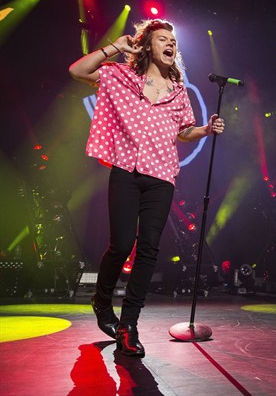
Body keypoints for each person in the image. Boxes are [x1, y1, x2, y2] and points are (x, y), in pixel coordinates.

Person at [69, 19, 225, 356]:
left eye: (173, 40)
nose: (170, 44)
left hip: (162, 176)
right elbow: (78, 70)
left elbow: (183, 132)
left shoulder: (179, 90)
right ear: (148, 46)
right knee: (121, 244)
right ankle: (101, 299)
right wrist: (116, 47)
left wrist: (205, 129)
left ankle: (129, 325)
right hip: (126, 170)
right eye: (163, 39)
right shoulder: (122, 76)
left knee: (150, 248)